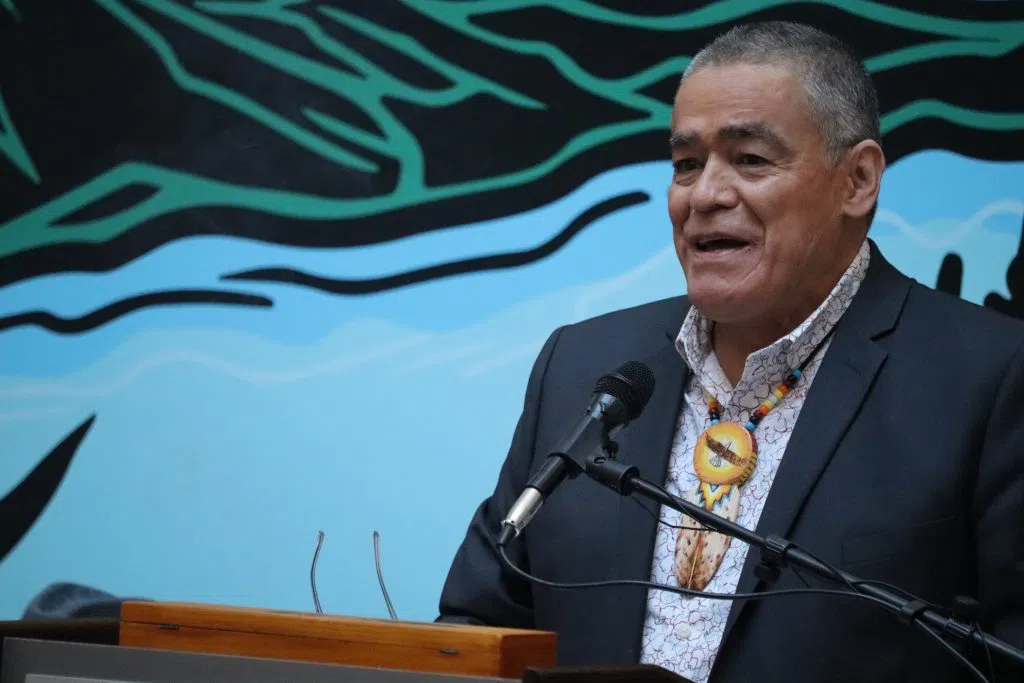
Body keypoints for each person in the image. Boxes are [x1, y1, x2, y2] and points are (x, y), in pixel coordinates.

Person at [436, 20, 1024, 683]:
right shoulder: (581, 366)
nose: (706, 195)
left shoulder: (989, 377)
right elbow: (475, 631)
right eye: (686, 164)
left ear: (857, 180)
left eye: (750, 159)